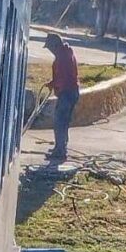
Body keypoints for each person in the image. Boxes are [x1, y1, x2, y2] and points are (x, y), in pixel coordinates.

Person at [42, 32, 80, 160]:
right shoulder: (65, 53)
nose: (50, 50)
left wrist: (56, 85)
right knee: (64, 122)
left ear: (55, 45)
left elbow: (64, 78)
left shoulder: (63, 57)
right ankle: (61, 147)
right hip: (71, 91)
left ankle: (60, 151)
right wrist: (52, 83)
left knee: (60, 122)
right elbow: (62, 76)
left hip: (67, 93)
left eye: (50, 47)